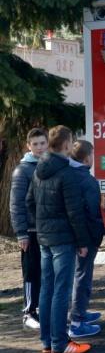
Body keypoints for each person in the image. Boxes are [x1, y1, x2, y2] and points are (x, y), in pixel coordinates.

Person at [26, 125, 92, 353]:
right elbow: (75, 212)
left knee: (47, 289)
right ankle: (60, 343)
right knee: (61, 291)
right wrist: (82, 242)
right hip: (63, 239)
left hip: (44, 237)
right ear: (65, 145)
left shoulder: (38, 169)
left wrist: (43, 224)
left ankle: (48, 341)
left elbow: (29, 203)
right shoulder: (66, 173)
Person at [9, 127, 48, 330]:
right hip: (30, 231)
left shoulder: (50, 166)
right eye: (35, 144)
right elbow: (16, 204)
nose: (40, 147)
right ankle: (28, 313)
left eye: (42, 143)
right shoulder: (22, 170)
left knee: (45, 272)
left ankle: (42, 310)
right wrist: (21, 233)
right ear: (28, 146)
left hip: (48, 230)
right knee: (31, 273)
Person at [69, 140, 104, 339]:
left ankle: (79, 313)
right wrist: (96, 237)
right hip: (85, 237)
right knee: (82, 277)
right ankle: (77, 322)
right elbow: (92, 213)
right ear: (87, 157)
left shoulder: (67, 175)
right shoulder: (87, 180)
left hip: (71, 236)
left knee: (77, 276)